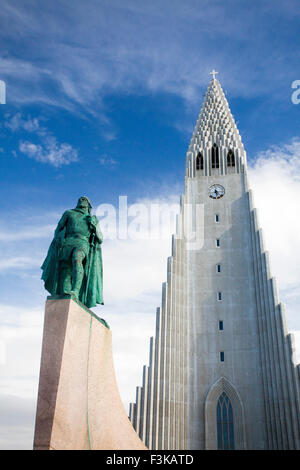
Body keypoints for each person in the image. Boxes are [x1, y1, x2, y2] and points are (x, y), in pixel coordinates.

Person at [41, 196, 103, 308]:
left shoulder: (92, 219)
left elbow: (100, 238)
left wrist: (94, 226)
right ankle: (66, 293)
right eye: (80, 199)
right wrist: (58, 238)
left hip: (82, 243)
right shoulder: (69, 213)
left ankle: (76, 290)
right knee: (66, 269)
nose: (81, 200)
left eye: (85, 200)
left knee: (77, 258)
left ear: (89, 206)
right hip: (68, 242)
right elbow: (58, 228)